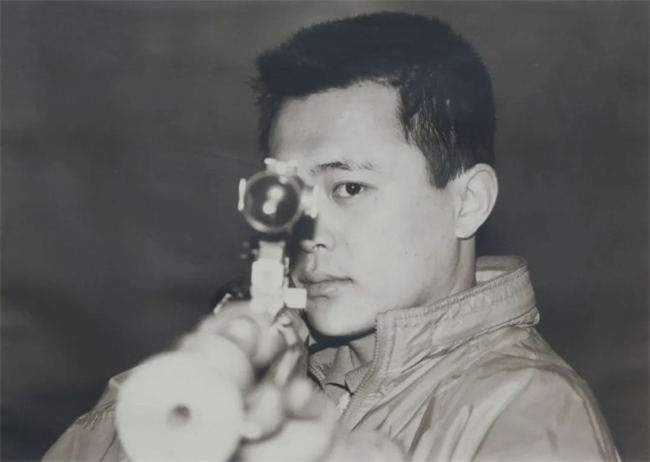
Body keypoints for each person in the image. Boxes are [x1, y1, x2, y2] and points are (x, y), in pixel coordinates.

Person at [43, 11, 620, 462]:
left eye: (348, 188)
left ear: (467, 202)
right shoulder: (279, 363)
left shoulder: (528, 412)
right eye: (291, 194)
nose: (309, 233)